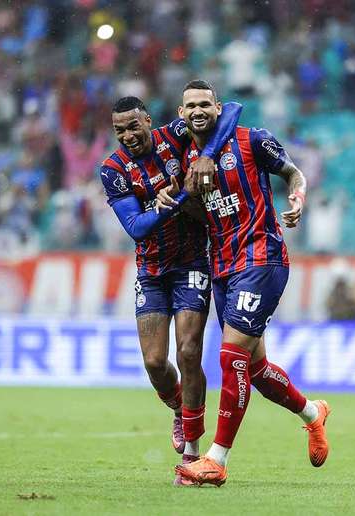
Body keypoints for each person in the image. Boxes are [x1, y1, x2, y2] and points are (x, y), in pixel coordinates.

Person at [158, 80, 330, 487]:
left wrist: (297, 198)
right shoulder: (186, 158)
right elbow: (199, 210)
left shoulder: (252, 141)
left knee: (230, 356)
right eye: (190, 106)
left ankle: (216, 461)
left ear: (217, 108)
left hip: (262, 258)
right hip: (222, 267)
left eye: (205, 104)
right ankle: (313, 413)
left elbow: (293, 173)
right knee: (255, 370)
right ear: (182, 114)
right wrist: (174, 199)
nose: (198, 111)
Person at [99, 95, 242, 486]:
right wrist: (171, 201)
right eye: (120, 131)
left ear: (148, 120)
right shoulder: (113, 170)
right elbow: (135, 227)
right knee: (154, 363)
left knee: (189, 352)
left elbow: (232, 110)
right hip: (151, 271)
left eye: (133, 126)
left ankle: (192, 453)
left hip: (192, 263)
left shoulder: (175, 133)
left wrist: (205, 157)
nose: (128, 135)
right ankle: (180, 408)